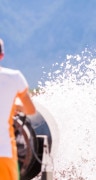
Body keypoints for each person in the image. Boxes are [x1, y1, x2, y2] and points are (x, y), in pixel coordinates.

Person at [0, 39, 36, 180]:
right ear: (2, 55)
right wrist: (14, 107)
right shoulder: (14, 77)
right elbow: (31, 110)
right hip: (4, 153)